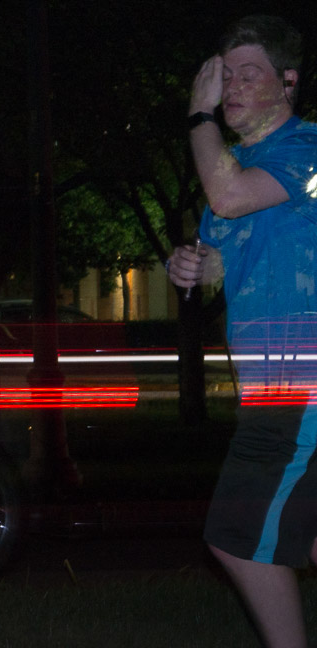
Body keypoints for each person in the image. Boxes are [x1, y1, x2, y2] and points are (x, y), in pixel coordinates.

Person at [167, 14, 317, 648]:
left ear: (288, 82)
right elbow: (223, 262)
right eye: (224, 77)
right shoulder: (232, 170)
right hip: (269, 382)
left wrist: (198, 119)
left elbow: (229, 198)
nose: (229, 88)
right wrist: (192, 267)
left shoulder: (308, 149)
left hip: (301, 380)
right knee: (305, 538)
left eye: (248, 74)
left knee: (233, 536)